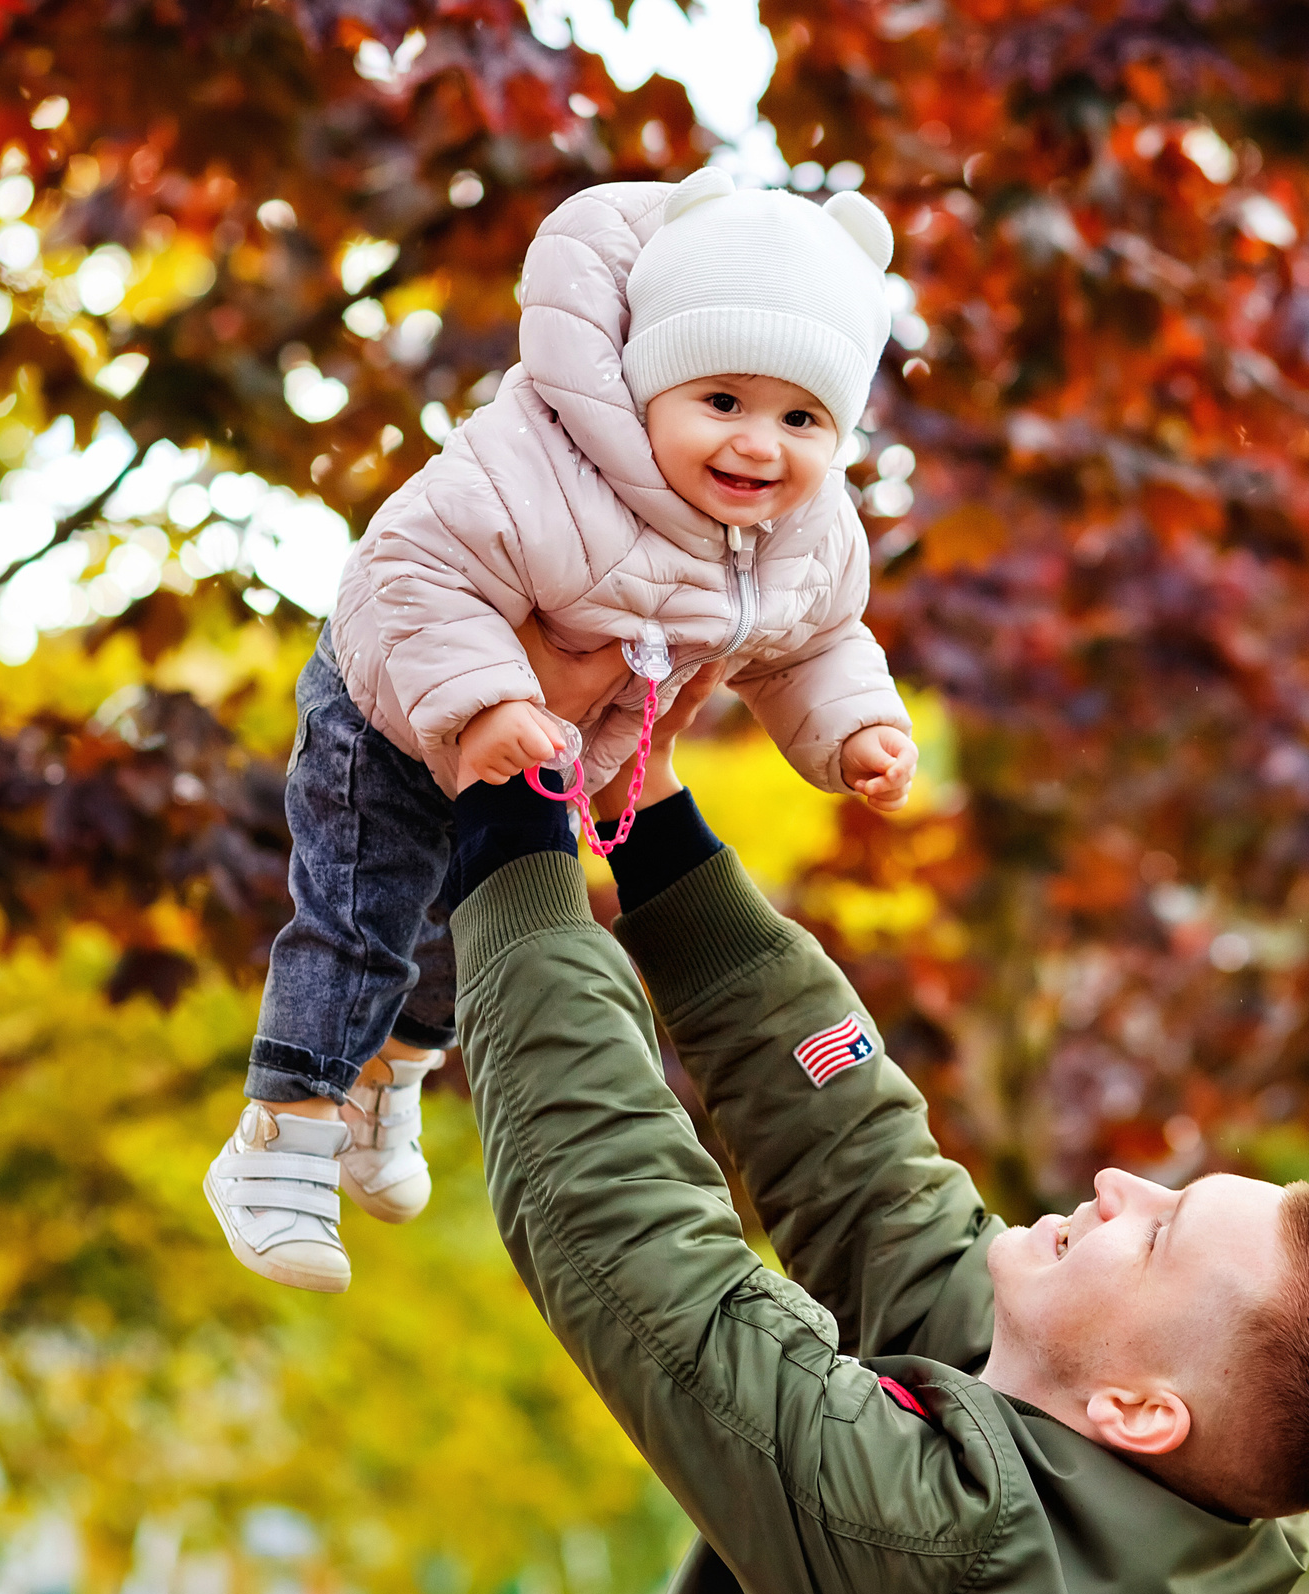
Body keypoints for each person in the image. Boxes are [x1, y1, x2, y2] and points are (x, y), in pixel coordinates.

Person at [435, 658, 1309, 1594]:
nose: (1117, 1185)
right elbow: (866, 1181)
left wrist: (515, 826)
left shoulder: (938, 1558)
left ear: (1138, 1412)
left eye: (1155, 1234)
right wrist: (643, 815)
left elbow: (630, 1244)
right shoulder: (1169, 1475)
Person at [206, 167, 922, 1291]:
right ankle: (279, 1135)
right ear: (643, 385)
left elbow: (817, 642)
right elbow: (407, 571)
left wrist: (856, 730)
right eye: (720, 402)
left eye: (801, 417)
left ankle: (385, 1088)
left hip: (542, 754)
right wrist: (487, 702)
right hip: (396, 714)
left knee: (462, 950)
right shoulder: (544, 462)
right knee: (363, 921)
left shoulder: (805, 535)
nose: (757, 446)